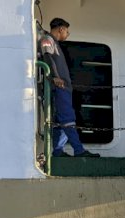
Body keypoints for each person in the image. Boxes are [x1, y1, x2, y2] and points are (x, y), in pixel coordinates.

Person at [38, 18, 100, 158]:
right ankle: (79, 150)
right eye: (67, 30)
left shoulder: (55, 43)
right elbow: (47, 57)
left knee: (59, 122)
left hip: (62, 87)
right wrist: (55, 76)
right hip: (58, 87)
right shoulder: (48, 40)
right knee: (68, 118)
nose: (67, 33)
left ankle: (58, 152)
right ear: (60, 29)